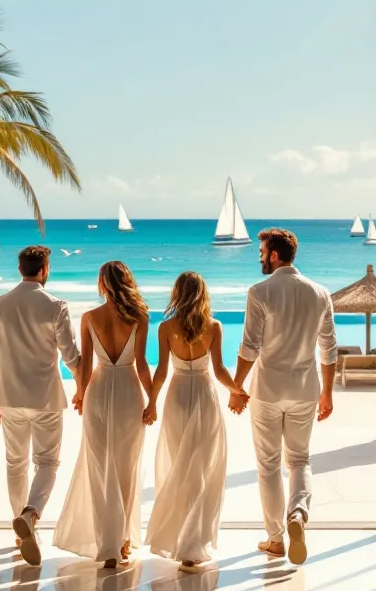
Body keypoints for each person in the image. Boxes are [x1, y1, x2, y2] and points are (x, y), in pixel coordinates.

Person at [230, 229, 337, 566]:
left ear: (275, 255)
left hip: (268, 390)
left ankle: (276, 539)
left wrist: (236, 387)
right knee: (300, 459)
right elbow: (329, 348)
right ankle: (299, 513)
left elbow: (250, 346)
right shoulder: (320, 293)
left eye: (262, 251)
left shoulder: (260, 291)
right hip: (305, 388)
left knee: (269, 466)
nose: (260, 256)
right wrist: (328, 393)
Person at [0, 245, 81, 566]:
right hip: (46, 397)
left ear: (20, 269)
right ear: (44, 270)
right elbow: (71, 356)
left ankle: (19, 527)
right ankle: (31, 514)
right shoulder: (56, 306)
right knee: (48, 462)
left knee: (15, 463)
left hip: (9, 397)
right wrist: (82, 387)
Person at [144, 272, 247, 571]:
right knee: (201, 469)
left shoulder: (165, 327)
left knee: (180, 466)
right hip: (203, 397)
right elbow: (218, 371)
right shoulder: (214, 326)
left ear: (177, 293)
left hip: (176, 396)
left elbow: (161, 371)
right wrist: (238, 391)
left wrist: (152, 402)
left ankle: (181, 539)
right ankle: (192, 545)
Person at [53, 261, 152, 568]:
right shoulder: (139, 317)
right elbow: (142, 362)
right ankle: (121, 542)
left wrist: (81, 393)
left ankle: (106, 543)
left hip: (98, 390)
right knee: (126, 466)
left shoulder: (89, 317)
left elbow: (83, 364)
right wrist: (153, 400)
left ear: (103, 284)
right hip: (128, 391)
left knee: (99, 466)